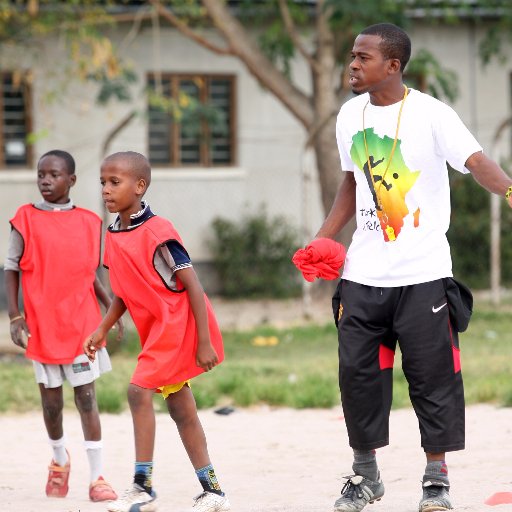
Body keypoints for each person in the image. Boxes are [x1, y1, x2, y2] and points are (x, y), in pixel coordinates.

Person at [312, 23, 512, 512]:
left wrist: (510, 192)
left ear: (393, 66)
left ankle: (436, 479)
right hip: (363, 278)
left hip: (423, 277)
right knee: (358, 376)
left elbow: (477, 161)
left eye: (363, 57)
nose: (353, 65)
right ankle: (365, 477)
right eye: (352, 56)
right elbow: (352, 183)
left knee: (433, 378)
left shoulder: (431, 114)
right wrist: (322, 237)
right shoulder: (348, 116)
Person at [84, 151, 230, 512]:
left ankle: (142, 485)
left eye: (114, 182)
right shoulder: (115, 233)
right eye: (102, 181)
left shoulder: (159, 232)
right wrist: (103, 327)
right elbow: (124, 291)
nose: (106, 189)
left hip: (178, 327)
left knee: (137, 392)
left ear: (140, 185)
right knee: (182, 410)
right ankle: (213, 491)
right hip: (157, 332)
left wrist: (205, 342)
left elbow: (193, 286)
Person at [4, 149, 121, 502]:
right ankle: (58, 460)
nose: (45, 180)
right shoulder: (24, 219)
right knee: (52, 404)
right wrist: (14, 316)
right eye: (41, 174)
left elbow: (92, 275)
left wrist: (110, 313)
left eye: (54, 175)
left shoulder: (88, 221)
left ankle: (98, 476)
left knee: (86, 398)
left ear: (71, 180)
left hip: (82, 326)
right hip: (42, 326)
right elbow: (11, 268)